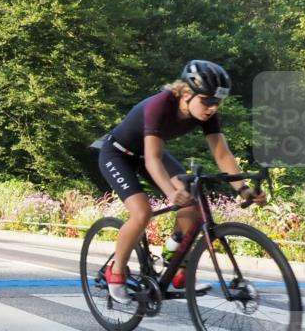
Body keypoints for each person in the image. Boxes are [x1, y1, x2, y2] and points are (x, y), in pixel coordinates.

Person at [98, 60, 266, 304]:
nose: (212, 108)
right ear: (186, 93)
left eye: (218, 102)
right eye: (208, 101)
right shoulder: (160, 105)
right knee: (142, 213)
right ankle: (116, 271)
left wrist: (242, 189)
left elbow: (221, 154)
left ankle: (174, 260)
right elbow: (153, 160)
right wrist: (170, 192)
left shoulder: (206, 112)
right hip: (118, 154)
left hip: (148, 154)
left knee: (193, 205)